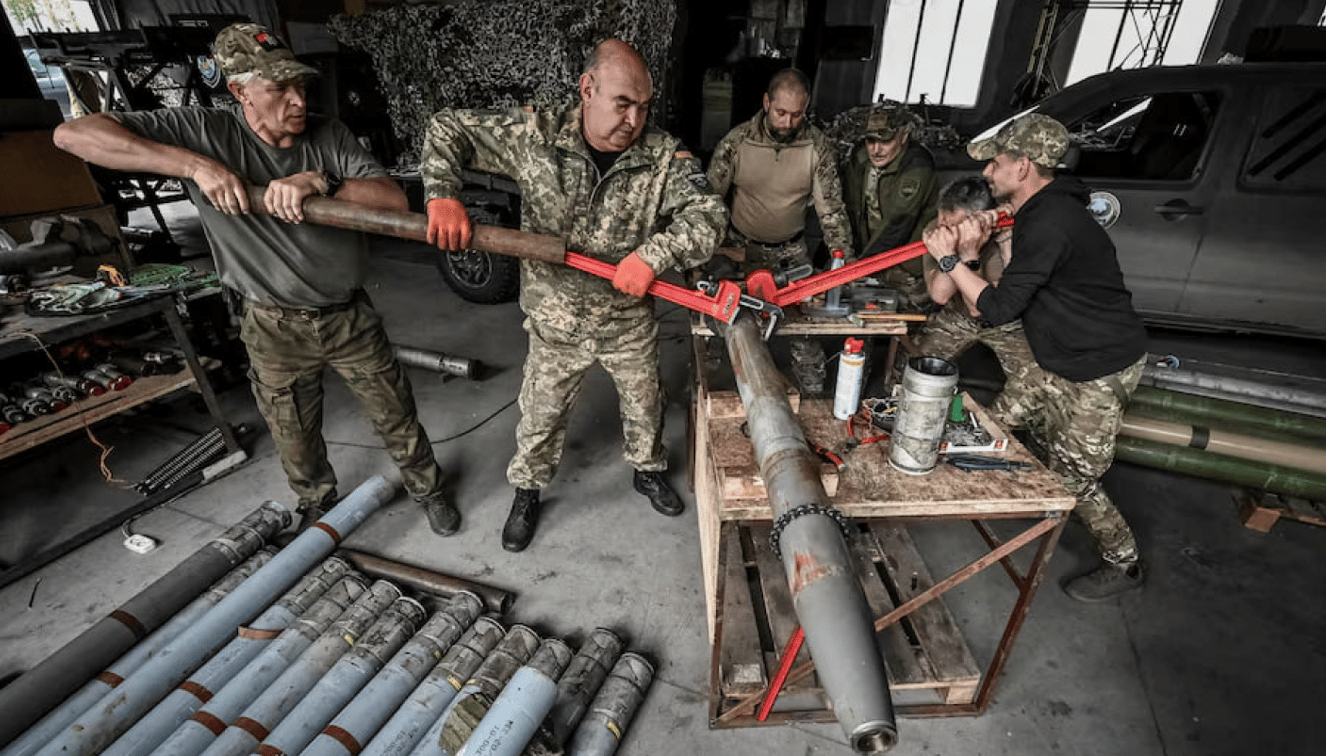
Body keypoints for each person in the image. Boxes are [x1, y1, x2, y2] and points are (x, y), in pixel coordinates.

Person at [52, 23, 461, 536]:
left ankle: (429, 489)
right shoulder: (206, 133)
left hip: (346, 314)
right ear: (240, 91)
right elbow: (71, 135)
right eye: (279, 88)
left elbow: (393, 203)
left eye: (300, 86)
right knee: (293, 430)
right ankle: (317, 506)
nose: (297, 100)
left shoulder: (327, 134)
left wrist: (322, 181)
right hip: (270, 324)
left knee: (395, 412)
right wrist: (196, 168)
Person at [421, 39, 726, 552]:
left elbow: (709, 216)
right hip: (555, 320)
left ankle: (647, 472)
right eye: (623, 103)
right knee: (540, 414)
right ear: (587, 89)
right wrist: (442, 194)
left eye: (644, 106)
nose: (634, 118)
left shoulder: (663, 155)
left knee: (646, 405)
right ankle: (528, 490)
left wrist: (655, 254)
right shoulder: (534, 134)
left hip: (625, 318)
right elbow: (446, 125)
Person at [924, 113, 1148, 601]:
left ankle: (1123, 562)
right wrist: (986, 241)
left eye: (996, 164)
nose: (987, 173)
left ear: (1023, 167)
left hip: (1098, 369)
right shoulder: (1037, 211)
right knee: (1001, 427)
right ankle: (1012, 496)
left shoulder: (1051, 222)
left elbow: (999, 307)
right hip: (1058, 357)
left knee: (1073, 478)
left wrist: (950, 259)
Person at [707, 68, 853, 395]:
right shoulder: (737, 142)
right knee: (721, 326)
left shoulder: (817, 147)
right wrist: (705, 256)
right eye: (780, 113)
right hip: (740, 249)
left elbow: (831, 211)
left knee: (804, 329)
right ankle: (712, 386)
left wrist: (842, 261)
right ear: (766, 102)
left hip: (791, 254)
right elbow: (708, 203)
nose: (787, 123)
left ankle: (813, 397)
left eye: (797, 115)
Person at [909, 175, 1034, 420]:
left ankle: (987, 429)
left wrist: (976, 250)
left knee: (1034, 387)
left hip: (1004, 321)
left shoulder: (1011, 235)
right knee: (913, 370)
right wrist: (954, 251)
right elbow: (940, 294)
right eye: (941, 216)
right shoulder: (937, 231)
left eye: (952, 222)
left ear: (980, 219)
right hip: (958, 315)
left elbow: (987, 305)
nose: (942, 225)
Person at [843, 104, 939, 310]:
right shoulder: (859, 158)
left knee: (909, 319)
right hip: (868, 255)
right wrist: (843, 259)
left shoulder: (917, 164)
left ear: (903, 136)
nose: (876, 150)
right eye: (871, 140)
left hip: (907, 266)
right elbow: (850, 211)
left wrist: (860, 268)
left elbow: (898, 223)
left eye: (885, 141)